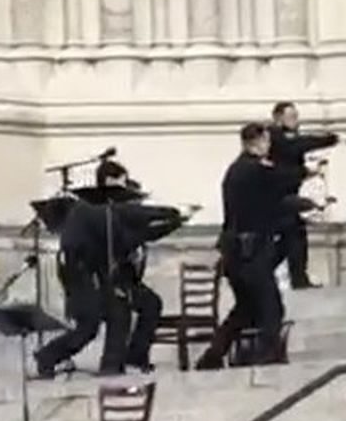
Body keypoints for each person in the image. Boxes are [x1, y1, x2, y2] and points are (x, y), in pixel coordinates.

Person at [36, 162, 179, 377]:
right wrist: (169, 216)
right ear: (109, 182)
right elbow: (130, 227)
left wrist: (172, 221)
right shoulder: (92, 209)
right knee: (90, 326)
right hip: (85, 277)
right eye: (120, 183)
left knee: (148, 304)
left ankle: (129, 358)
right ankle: (49, 356)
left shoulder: (110, 210)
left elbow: (136, 231)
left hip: (113, 275)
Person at [196, 123, 309, 370]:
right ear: (256, 143)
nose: (269, 147)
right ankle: (265, 356)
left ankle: (213, 355)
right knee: (271, 307)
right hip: (250, 251)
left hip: (235, 252)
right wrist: (306, 172)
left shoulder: (236, 170)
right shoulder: (254, 170)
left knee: (246, 307)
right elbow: (284, 180)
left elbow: (265, 200)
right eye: (267, 142)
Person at [267, 102, 340, 290]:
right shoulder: (274, 137)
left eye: (296, 116)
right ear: (278, 118)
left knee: (292, 236)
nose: (296, 121)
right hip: (275, 196)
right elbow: (298, 146)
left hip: (287, 194)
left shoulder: (286, 137)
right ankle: (293, 278)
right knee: (293, 234)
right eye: (291, 117)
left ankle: (294, 276)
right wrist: (331, 140)